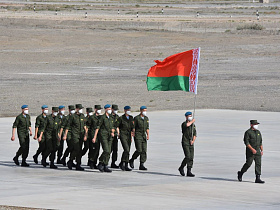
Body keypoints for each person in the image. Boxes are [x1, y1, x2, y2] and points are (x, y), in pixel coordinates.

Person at [63, 104, 87, 171]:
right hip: (75, 135)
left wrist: (85, 134)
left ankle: (78, 164)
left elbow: (85, 126)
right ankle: (70, 160)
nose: (81, 110)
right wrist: (65, 135)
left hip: (81, 135)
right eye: (79, 108)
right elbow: (68, 126)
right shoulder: (73, 117)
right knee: (77, 149)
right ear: (77, 109)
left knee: (79, 150)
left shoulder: (82, 116)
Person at [93, 104, 115, 173]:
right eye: (108, 109)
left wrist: (113, 131)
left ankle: (105, 165)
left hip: (110, 136)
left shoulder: (111, 117)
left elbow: (113, 126)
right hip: (103, 135)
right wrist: (94, 137)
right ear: (105, 109)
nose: (110, 110)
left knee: (109, 151)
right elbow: (98, 127)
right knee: (106, 150)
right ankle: (100, 162)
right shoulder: (102, 117)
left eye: (110, 109)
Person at [129, 106, 149, 170]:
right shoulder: (136, 118)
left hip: (143, 135)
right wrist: (132, 134)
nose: (145, 112)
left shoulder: (146, 118)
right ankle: (132, 159)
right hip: (138, 135)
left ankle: (142, 164)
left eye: (145, 110)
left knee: (144, 150)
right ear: (140, 111)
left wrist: (148, 134)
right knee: (139, 150)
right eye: (143, 110)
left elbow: (147, 128)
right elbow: (133, 127)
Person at [178, 111, 196, 177]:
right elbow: (187, 125)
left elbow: (195, 134)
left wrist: (193, 140)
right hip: (185, 142)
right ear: (186, 117)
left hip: (191, 142)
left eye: (191, 116)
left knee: (191, 157)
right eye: (189, 116)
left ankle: (189, 171)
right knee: (187, 156)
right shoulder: (184, 124)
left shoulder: (193, 125)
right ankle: (181, 167)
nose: (190, 117)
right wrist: (192, 121)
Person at [117, 106, 134, 171]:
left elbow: (132, 128)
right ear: (124, 110)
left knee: (128, 150)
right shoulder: (121, 118)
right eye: (127, 110)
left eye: (129, 110)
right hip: (123, 134)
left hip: (129, 135)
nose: (128, 111)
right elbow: (117, 126)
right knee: (126, 149)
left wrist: (132, 136)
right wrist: (118, 133)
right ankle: (122, 162)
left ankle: (125, 164)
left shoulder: (131, 118)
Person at [89, 105, 102, 169]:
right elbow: (88, 126)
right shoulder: (92, 117)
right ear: (95, 109)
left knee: (97, 150)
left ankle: (94, 163)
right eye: (98, 109)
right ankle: (91, 162)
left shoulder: (101, 117)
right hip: (93, 135)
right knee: (93, 150)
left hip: (99, 135)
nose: (99, 110)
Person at [111, 104, 119, 168]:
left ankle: (113, 162)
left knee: (115, 150)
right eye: (115, 109)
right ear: (112, 109)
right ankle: (103, 163)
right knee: (108, 150)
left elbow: (117, 126)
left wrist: (118, 133)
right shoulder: (109, 116)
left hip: (115, 136)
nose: (116, 111)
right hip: (109, 136)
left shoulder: (117, 117)